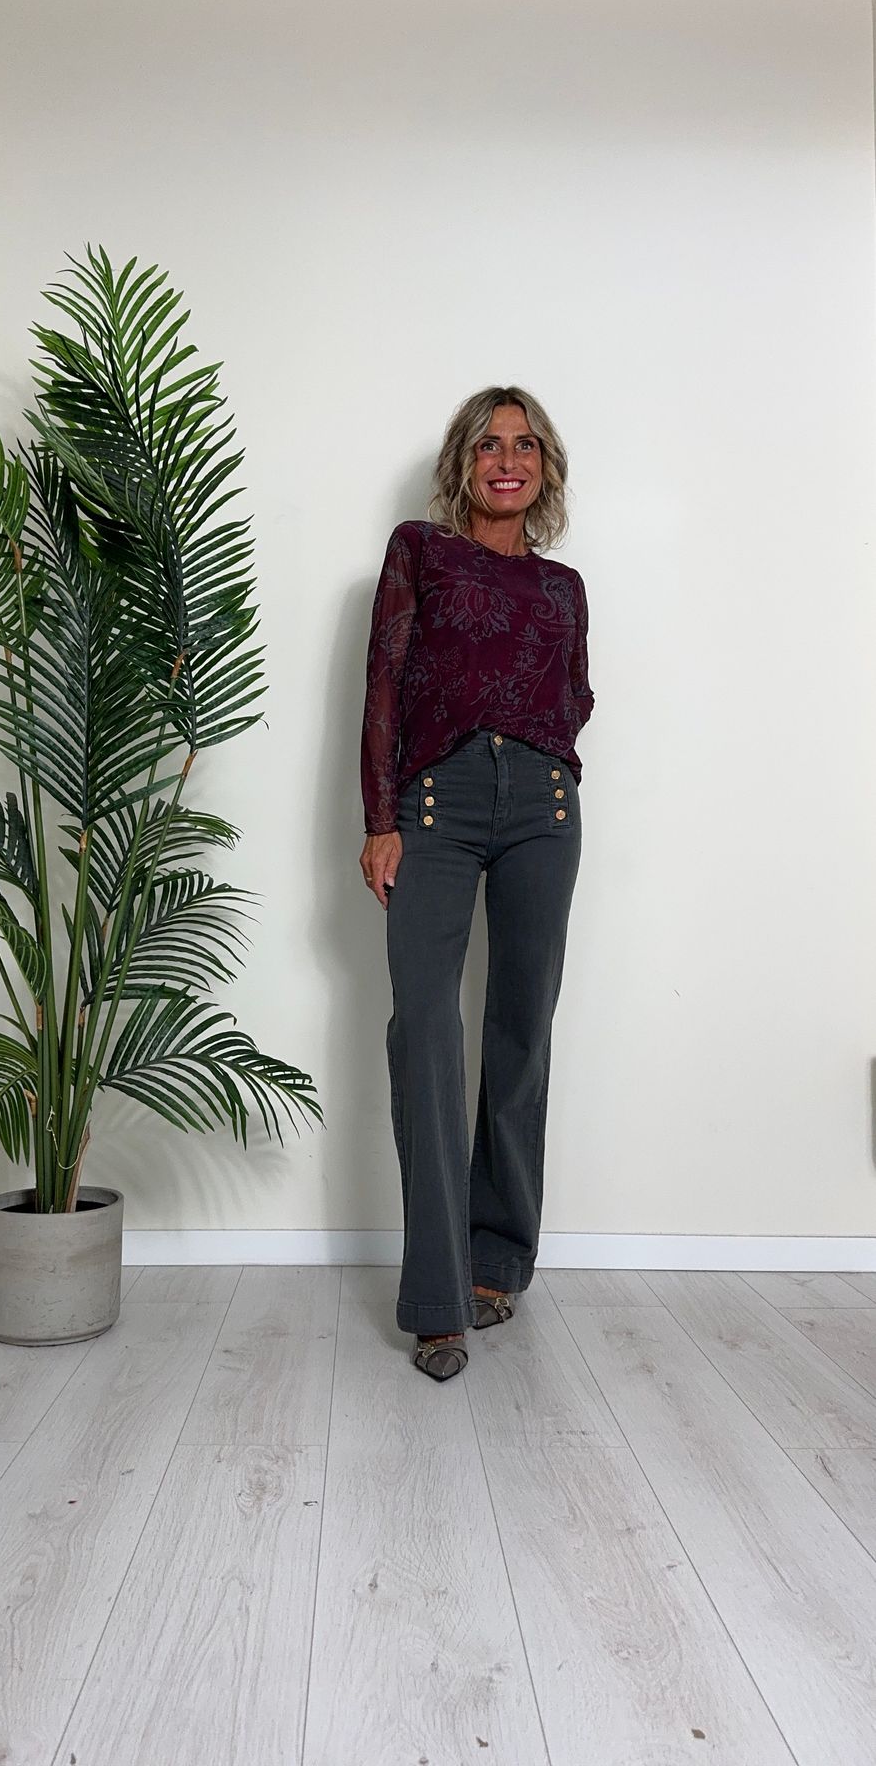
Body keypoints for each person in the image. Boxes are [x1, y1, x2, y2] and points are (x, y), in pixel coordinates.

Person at [358, 385, 595, 1382]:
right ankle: (437, 1298)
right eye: (490, 444)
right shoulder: (419, 550)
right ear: (463, 460)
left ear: (544, 466)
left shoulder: (563, 585)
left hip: (541, 806)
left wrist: (537, 754)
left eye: (525, 445)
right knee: (424, 1028)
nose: (508, 459)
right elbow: (382, 682)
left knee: (519, 1030)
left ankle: (496, 1262)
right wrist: (378, 819)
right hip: (434, 806)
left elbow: (575, 694)